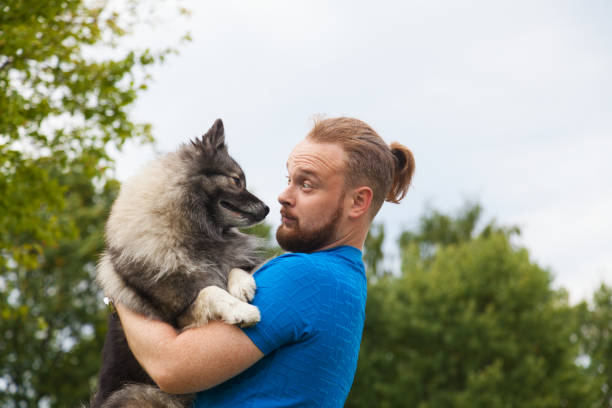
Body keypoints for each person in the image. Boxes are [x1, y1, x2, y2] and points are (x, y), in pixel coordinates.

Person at [115, 116, 415, 407]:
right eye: (289, 179)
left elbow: (173, 367)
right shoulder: (344, 281)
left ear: (358, 202)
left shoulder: (305, 277)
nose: (284, 195)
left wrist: (122, 284)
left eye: (307, 185)